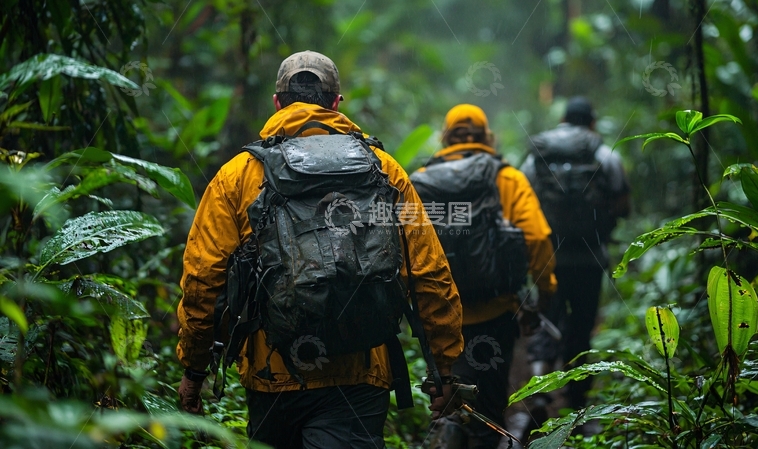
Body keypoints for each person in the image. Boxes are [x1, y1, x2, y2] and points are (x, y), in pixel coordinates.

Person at [175, 50, 464, 448]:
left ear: (277, 103)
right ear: (335, 104)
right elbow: (428, 272)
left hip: (272, 374)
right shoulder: (383, 169)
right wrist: (444, 369)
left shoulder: (237, 175)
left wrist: (194, 368)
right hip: (359, 370)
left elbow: (203, 279)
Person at [411, 104, 557, 449]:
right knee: (488, 406)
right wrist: (544, 290)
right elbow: (536, 238)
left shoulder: (420, 179)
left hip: (439, 312)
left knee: (446, 396)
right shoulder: (506, 177)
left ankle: (448, 431)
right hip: (495, 312)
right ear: (486, 136)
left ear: (446, 137)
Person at [521, 96, 631, 413]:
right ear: (591, 122)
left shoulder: (538, 156)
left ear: (563, 120)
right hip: (590, 257)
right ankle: (577, 397)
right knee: (581, 324)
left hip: (548, 258)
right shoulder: (604, 153)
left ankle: (539, 385)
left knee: (546, 318)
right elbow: (623, 203)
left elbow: (522, 203)